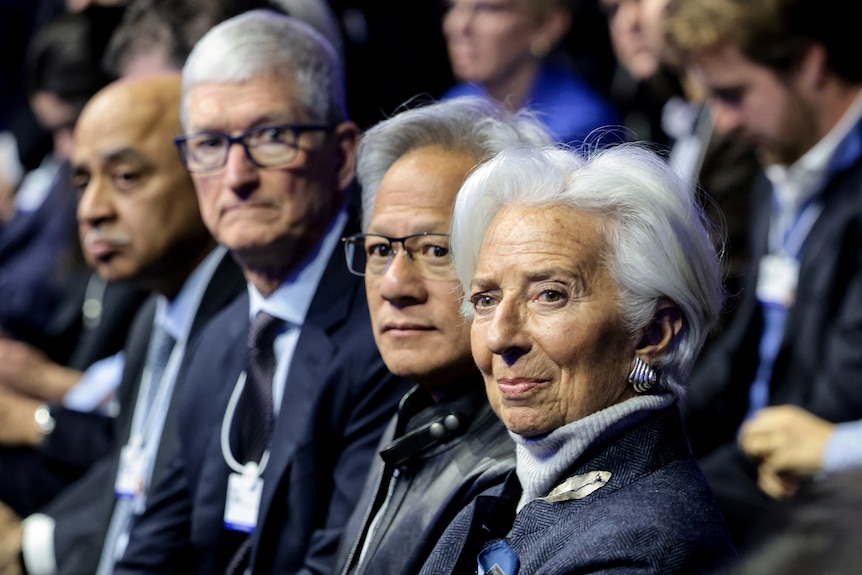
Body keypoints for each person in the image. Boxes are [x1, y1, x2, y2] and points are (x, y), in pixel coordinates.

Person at [113, 11, 409, 575]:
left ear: (343, 154)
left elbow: (340, 564)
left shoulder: (387, 328)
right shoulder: (219, 341)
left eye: (270, 136)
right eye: (209, 144)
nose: (236, 175)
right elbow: (155, 551)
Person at [417, 143, 736, 574]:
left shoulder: (641, 549)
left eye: (550, 295)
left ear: (653, 332)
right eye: (486, 299)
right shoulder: (508, 492)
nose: (499, 336)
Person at [0, 73, 247, 575]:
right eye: (82, 181)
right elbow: (128, 488)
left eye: (126, 177)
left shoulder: (243, 325)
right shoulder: (152, 321)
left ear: (208, 168)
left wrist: (29, 549)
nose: (91, 211)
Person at [664, 0, 862, 549]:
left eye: (734, 94)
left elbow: (839, 396)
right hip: (756, 456)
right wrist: (648, 429)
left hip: (822, 484)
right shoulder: (778, 167)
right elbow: (739, 355)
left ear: (810, 63)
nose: (723, 121)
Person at [331, 95, 552, 575]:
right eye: (380, 248)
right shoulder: (414, 412)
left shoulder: (527, 471)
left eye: (435, 250)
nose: (394, 285)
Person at [440, 0, 622, 146]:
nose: (458, 26)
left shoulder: (582, 124)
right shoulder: (454, 104)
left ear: (548, 25)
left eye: (489, 8)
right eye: (452, 6)